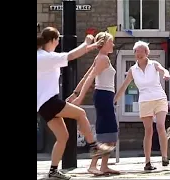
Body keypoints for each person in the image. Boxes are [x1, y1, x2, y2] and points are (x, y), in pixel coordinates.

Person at [37, 27, 115, 180]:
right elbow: (71, 55)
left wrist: (91, 46)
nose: (58, 42)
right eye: (58, 40)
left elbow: (70, 56)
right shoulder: (45, 57)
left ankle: (53, 171)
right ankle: (94, 146)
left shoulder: (45, 56)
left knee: (63, 137)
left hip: (44, 104)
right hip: (49, 101)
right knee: (80, 113)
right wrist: (86, 42)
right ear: (52, 40)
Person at [67, 32, 120, 176]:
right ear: (104, 43)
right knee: (107, 131)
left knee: (108, 131)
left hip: (105, 96)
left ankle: (103, 166)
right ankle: (93, 165)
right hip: (103, 95)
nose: (113, 44)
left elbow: (85, 76)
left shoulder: (101, 58)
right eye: (111, 42)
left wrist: (75, 93)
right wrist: (80, 98)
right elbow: (90, 78)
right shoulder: (102, 59)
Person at [114, 41, 170, 170]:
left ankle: (165, 157)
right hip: (145, 100)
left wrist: (166, 74)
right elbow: (124, 86)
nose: (139, 54)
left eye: (141, 51)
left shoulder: (154, 64)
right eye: (136, 52)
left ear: (147, 53)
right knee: (148, 130)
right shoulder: (133, 70)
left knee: (161, 126)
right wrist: (115, 99)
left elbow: (163, 70)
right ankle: (147, 162)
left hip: (159, 98)